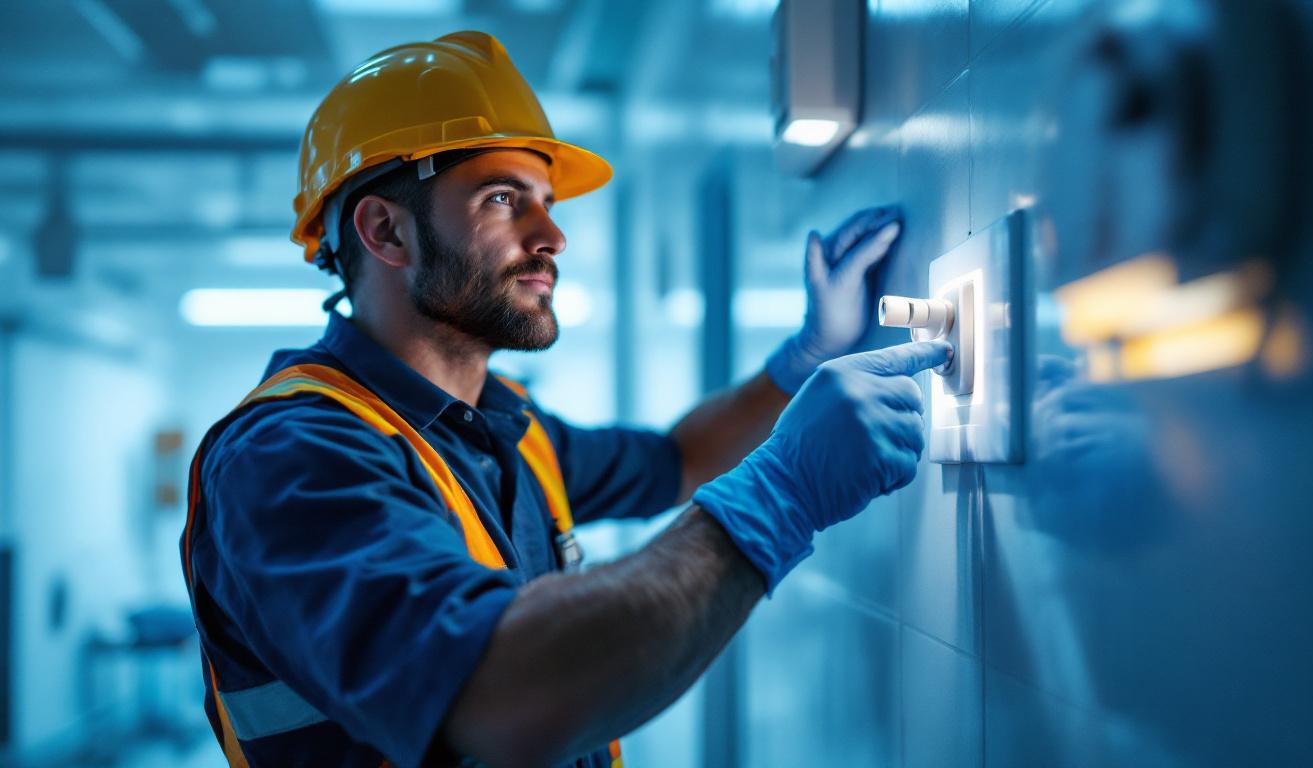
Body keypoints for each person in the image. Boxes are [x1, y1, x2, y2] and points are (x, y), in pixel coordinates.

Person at [179, 31, 951, 768]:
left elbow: (676, 460)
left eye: (547, 201)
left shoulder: (502, 423)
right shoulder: (293, 457)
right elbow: (502, 695)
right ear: (386, 231)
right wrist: (781, 497)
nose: (553, 234)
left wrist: (803, 357)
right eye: (503, 199)